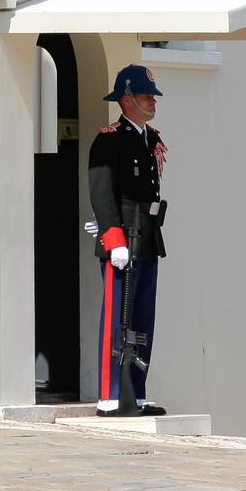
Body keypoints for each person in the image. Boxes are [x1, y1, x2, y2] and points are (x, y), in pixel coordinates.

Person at [88, 64, 167, 417]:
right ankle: (110, 393)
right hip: (123, 239)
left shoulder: (151, 139)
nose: (153, 101)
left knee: (142, 318)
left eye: (152, 96)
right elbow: (102, 193)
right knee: (116, 318)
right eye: (146, 96)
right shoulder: (109, 140)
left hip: (148, 235)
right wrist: (113, 238)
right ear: (127, 98)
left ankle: (136, 392)